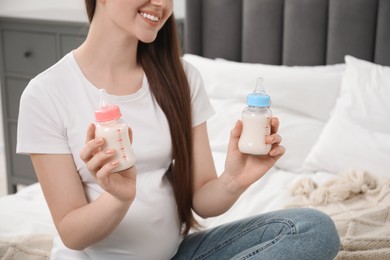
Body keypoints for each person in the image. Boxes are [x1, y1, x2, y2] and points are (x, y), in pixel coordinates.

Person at [17, 0, 340, 259]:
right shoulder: (47, 94)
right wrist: (118, 198)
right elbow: (72, 233)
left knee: (312, 229)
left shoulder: (181, 77)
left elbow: (202, 200)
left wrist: (233, 180)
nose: (161, 3)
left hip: (178, 254)